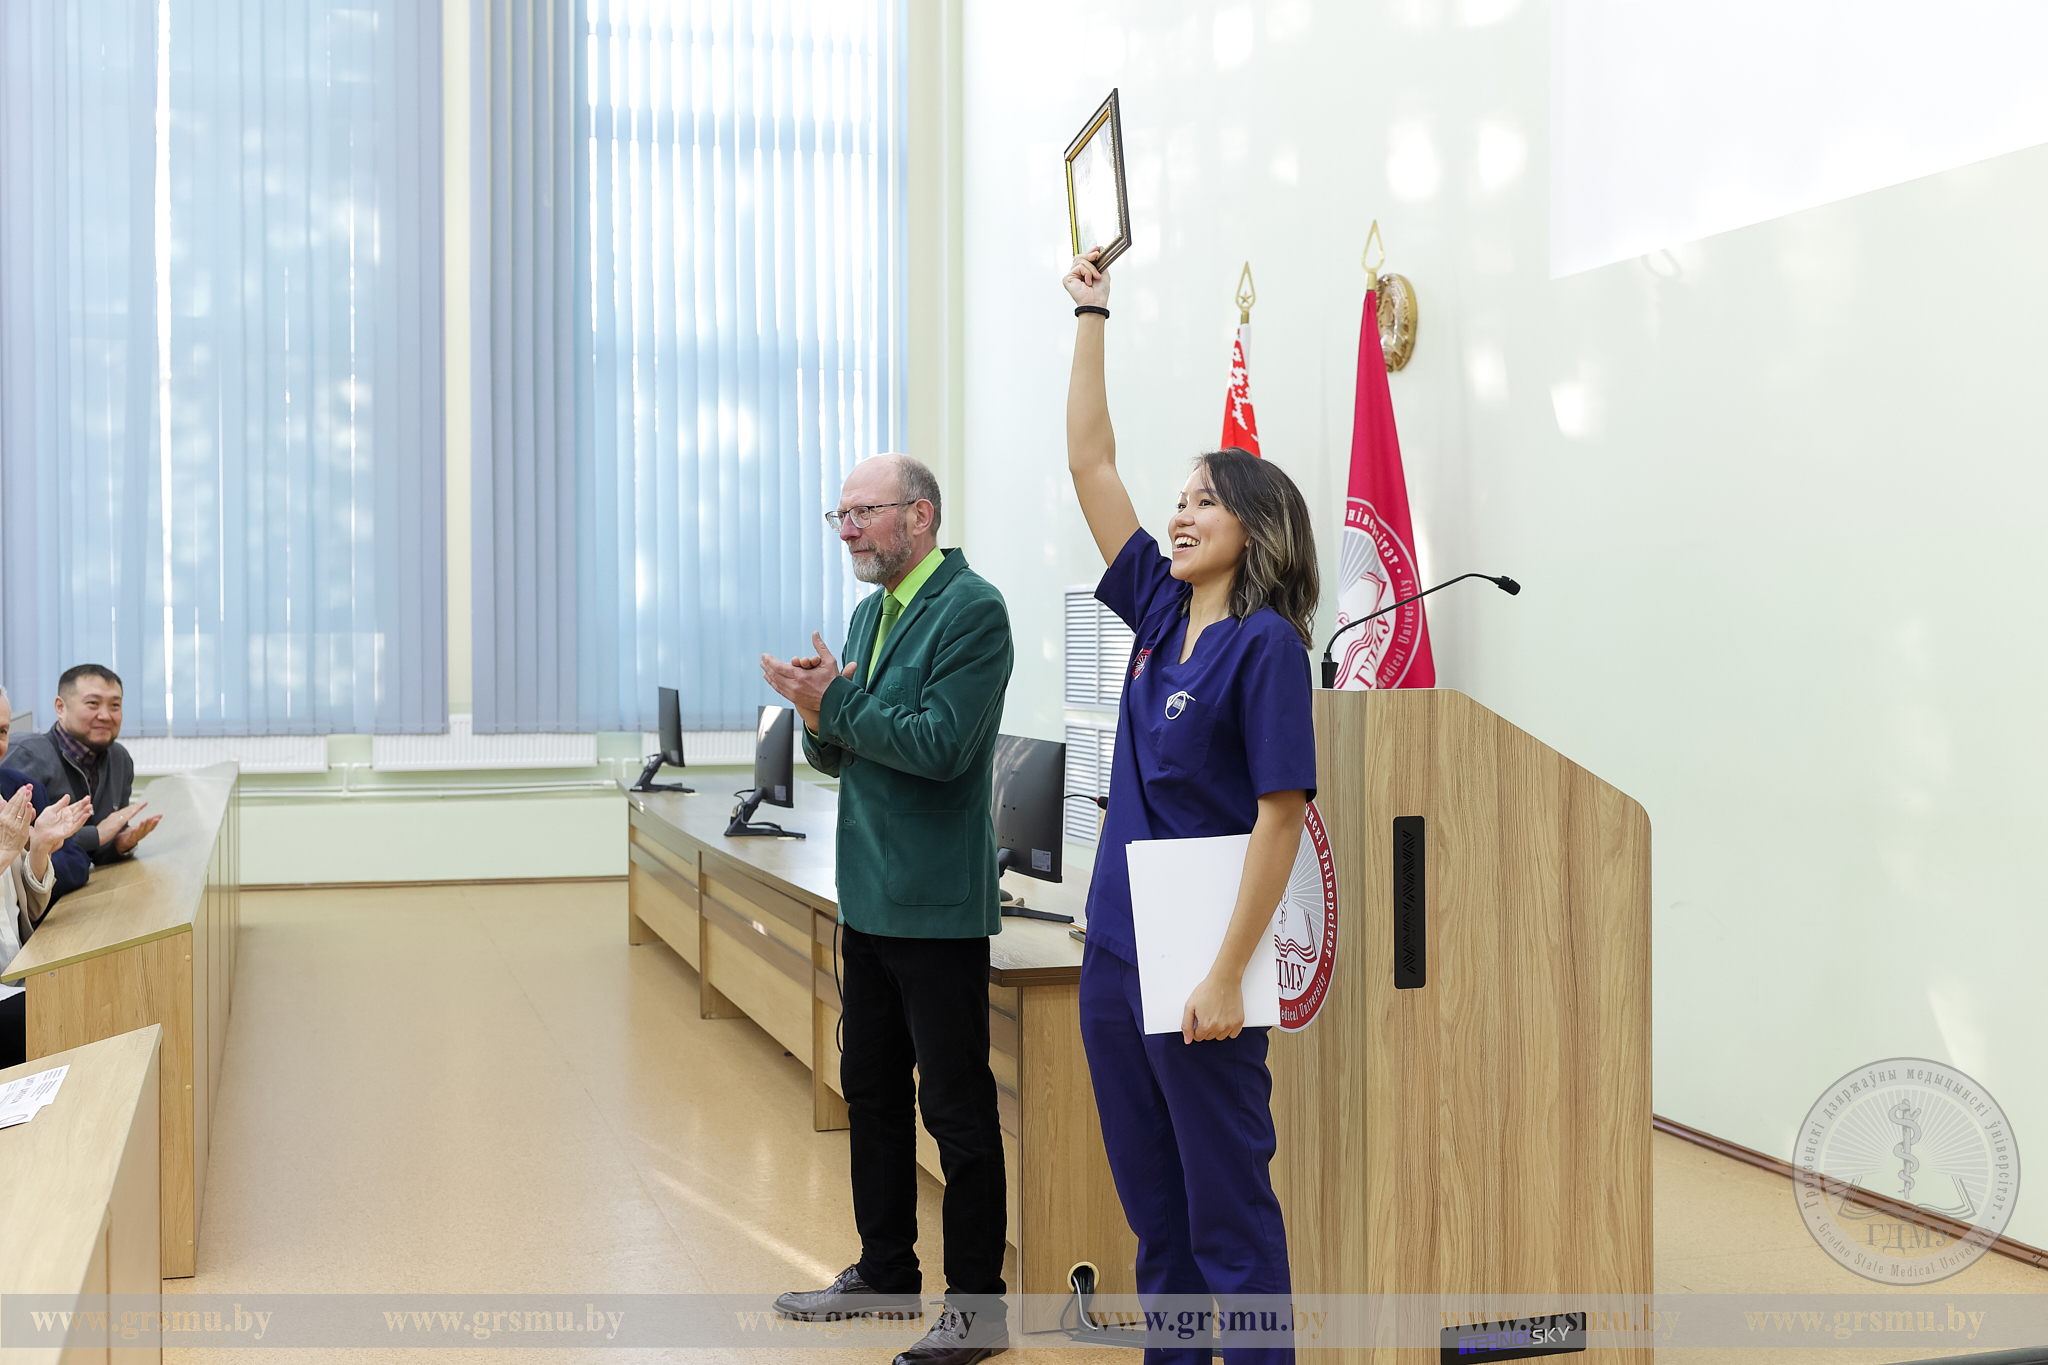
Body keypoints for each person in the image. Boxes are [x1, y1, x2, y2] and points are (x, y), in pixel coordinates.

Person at [1061, 249, 1321, 1365]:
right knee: (1156, 1218)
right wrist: (1091, 312)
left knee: (1228, 1218)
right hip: (1117, 955)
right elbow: (1090, 460)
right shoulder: (1161, 613)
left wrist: (1224, 973)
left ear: (1257, 527)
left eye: (1204, 500)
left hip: (1202, 967)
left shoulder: (1265, 648)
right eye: (1177, 499)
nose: (1177, 513)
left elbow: (1280, 819)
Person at [759, 453, 1014, 1365]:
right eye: (840, 515)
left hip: (936, 909)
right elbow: (847, 753)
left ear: (920, 514)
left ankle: (977, 1309)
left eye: (863, 512)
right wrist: (816, 711)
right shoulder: (872, 613)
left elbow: (940, 747)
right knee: (869, 1089)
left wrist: (839, 702)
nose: (848, 530)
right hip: (867, 898)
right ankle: (885, 1269)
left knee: (955, 1109)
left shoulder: (973, 610)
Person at [5, 665, 159, 866]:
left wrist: (119, 845)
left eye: (115, 705)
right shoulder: (27, 754)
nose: (105, 715)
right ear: (60, 707)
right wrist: (96, 835)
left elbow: (97, 854)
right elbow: (22, 846)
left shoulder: (119, 758)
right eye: (93, 704)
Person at [1, 777, 95, 1066]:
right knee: (50, 1013)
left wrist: (40, 847)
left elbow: (29, 907)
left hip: (18, 968)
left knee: (91, 981)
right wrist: (4, 853)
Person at [0, 683, 94, 901]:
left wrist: (39, 849)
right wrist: (8, 851)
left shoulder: (22, 789)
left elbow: (28, 912)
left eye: (2, 731)